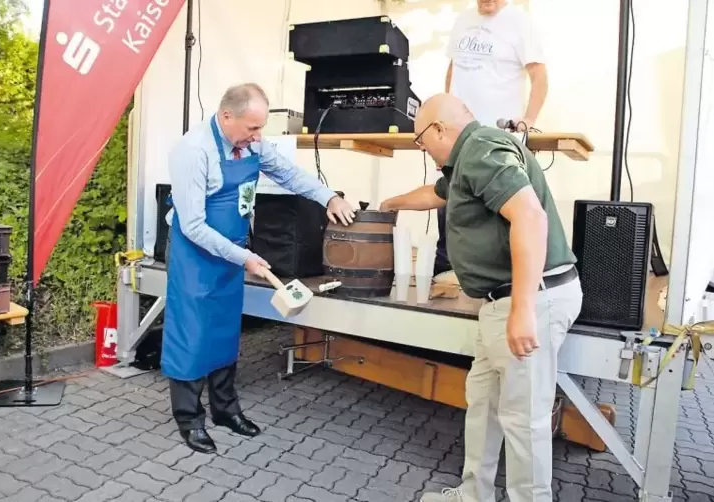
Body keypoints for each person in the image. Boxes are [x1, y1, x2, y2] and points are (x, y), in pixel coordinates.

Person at [380, 93, 582, 502]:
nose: (423, 148)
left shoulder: (481, 150)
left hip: (528, 299)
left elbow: (530, 216)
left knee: (524, 421)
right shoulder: (464, 162)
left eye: (421, 140)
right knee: (484, 405)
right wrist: (390, 204)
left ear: (438, 129)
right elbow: (436, 194)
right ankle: (473, 495)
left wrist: (523, 310)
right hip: (500, 303)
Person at [162, 83, 355, 454]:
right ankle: (189, 419)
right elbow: (194, 226)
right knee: (192, 335)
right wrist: (244, 258)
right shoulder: (192, 151)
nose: (258, 136)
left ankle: (226, 410)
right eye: (252, 128)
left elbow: (289, 174)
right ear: (226, 116)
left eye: (260, 128)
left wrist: (328, 196)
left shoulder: (251, 143)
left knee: (223, 332)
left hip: (231, 252)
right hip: (195, 256)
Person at [434, 0, 548, 278]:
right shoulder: (462, 19)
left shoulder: (520, 22)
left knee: (499, 204)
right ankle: (446, 267)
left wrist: (529, 119)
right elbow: (453, 68)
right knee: (450, 194)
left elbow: (539, 76)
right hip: (458, 132)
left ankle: (502, 275)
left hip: (498, 135)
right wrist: (445, 112)